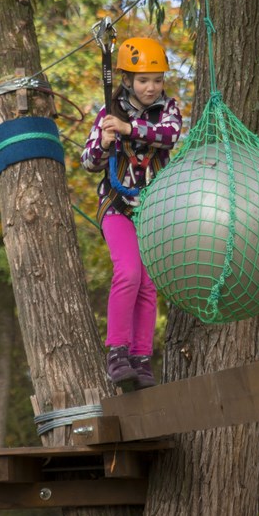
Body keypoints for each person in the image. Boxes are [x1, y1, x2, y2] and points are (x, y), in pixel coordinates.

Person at [81, 37, 182, 389]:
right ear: (127, 80)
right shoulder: (109, 113)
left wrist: (129, 129)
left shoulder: (167, 110)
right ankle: (117, 352)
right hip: (117, 206)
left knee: (149, 284)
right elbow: (89, 161)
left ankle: (141, 358)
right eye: (143, 80)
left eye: (157, 80)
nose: (151, 87)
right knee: (128, 273)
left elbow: (169, 136)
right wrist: (105, 142)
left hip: (153, 209)